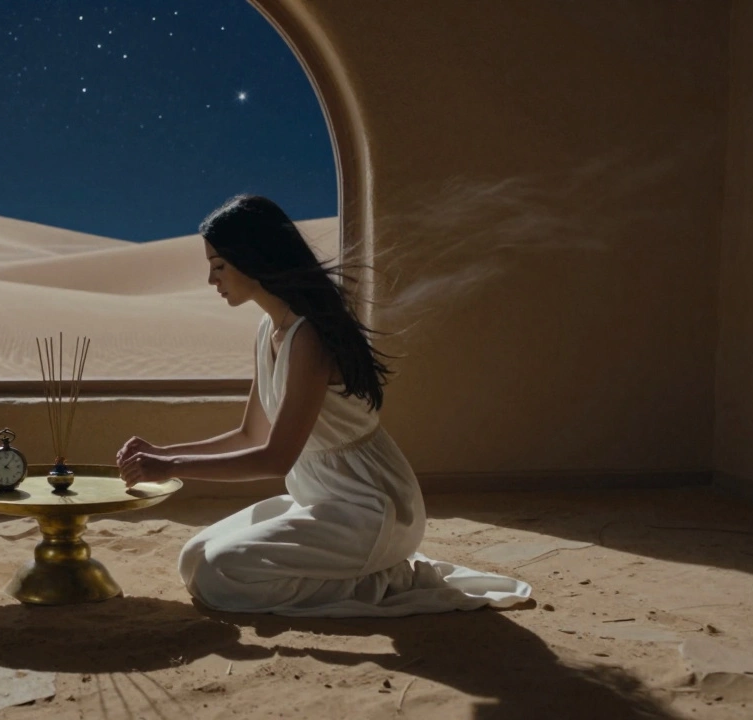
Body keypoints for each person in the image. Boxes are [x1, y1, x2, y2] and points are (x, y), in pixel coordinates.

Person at [116, 194, 532, 617]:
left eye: (219, 265)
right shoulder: (268, 329)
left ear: (251, 258)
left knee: (217, 574)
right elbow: (250, 435)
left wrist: (171, 467)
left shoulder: (308, 338)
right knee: (193, 558)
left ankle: (384, 579)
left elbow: (275, 458)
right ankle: (360, 571)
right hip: (318, 501)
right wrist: (161, 453)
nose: (211, 279)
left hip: (371, 509)